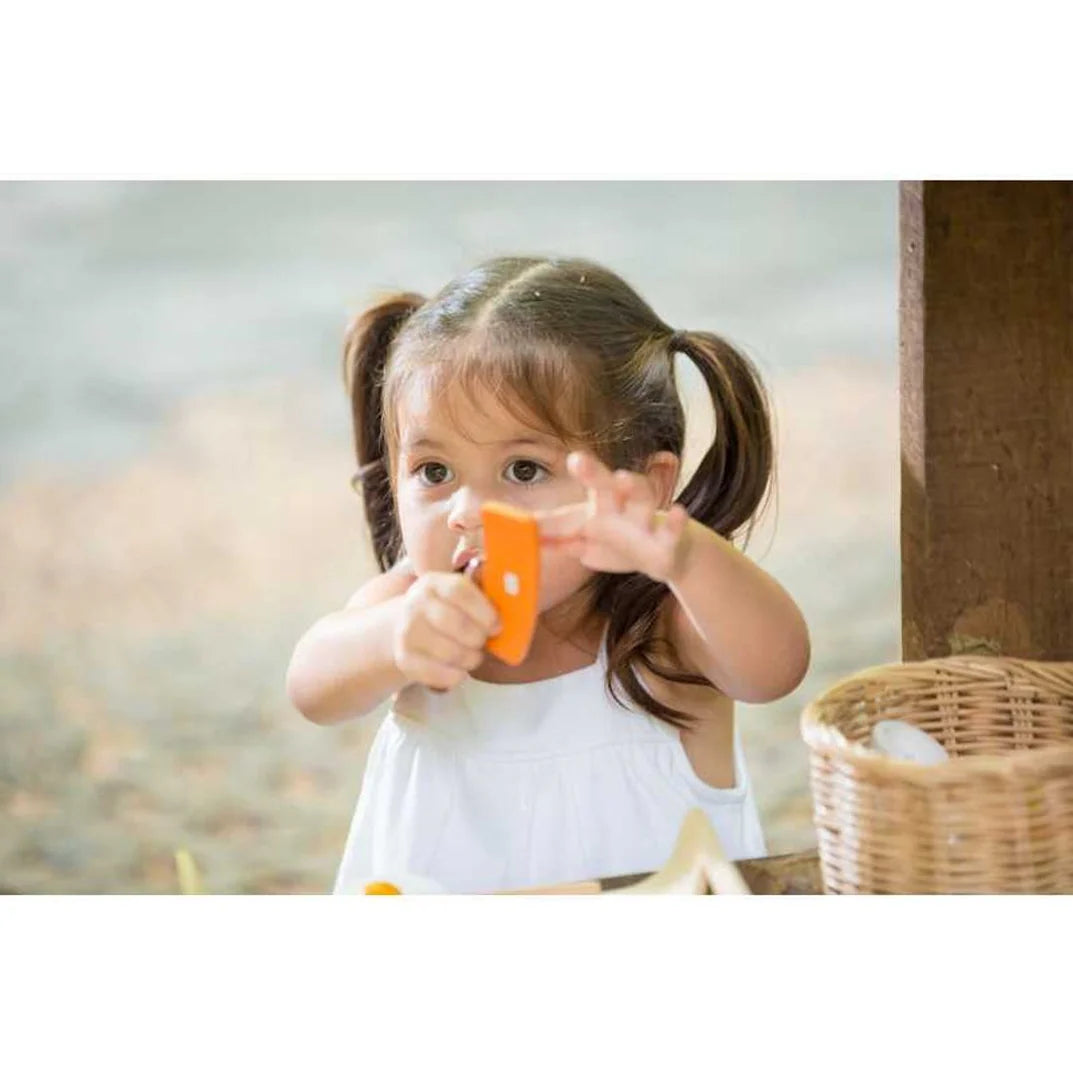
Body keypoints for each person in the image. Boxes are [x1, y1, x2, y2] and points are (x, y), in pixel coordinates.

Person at [286, 255, 811, 894]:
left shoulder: (664, 629)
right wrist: (392, 638)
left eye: (524, 471)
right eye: (433, 472)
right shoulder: (411, 606)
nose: (465, 512)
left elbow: (776, 670)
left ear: (645, 486)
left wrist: (685, 555)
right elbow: (311, 688)